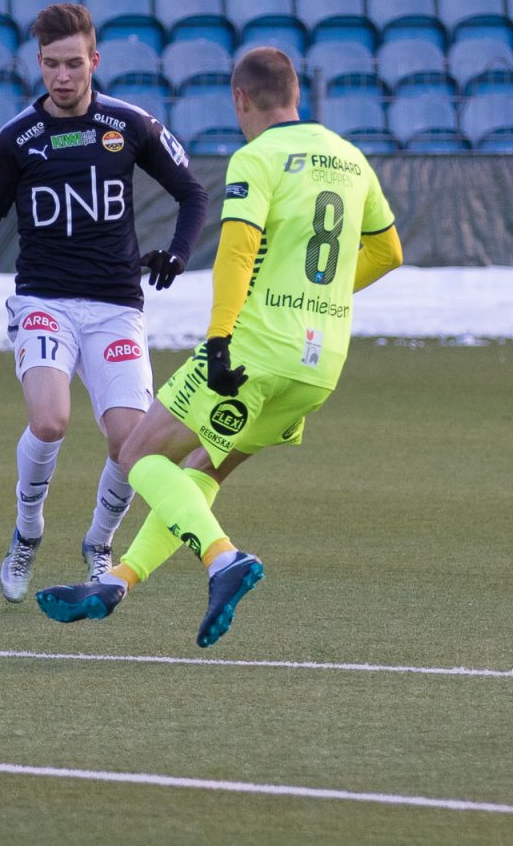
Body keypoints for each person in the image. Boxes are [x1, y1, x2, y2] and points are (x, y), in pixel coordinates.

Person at [36, 46, 404, 647]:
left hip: (255, 350)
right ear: (296, 95)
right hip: (319, 366)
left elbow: (236, 252)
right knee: (202, 471)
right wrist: (321, 294)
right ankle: (118, 581)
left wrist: (218, 340)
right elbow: (388, 252)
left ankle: (222, 557)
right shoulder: (349, 156)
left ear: (240, 98)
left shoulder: (256, 158)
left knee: (136, 453)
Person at [0, 3, 208, 602]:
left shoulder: (130, 124)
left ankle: (99, 544)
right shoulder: (17, 137)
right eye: (51, 64)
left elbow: (193, 194)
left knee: (130, 444)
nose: (62, 76)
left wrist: (176, 254)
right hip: (44, 300)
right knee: (50, 421)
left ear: (94, 60)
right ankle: (27, 532)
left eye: (74, 63)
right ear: (39, 63)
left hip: (116, 306)